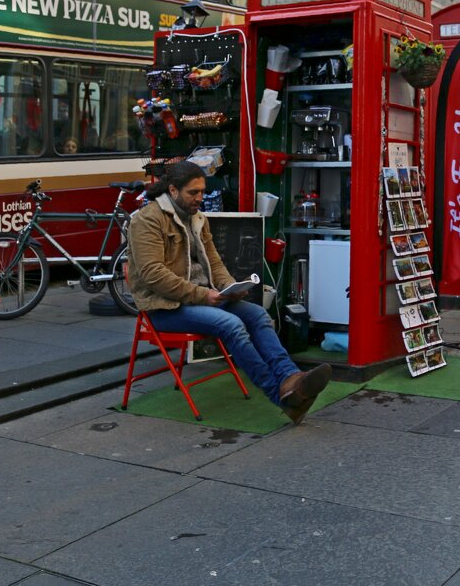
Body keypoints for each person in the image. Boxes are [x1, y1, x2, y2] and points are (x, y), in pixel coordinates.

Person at [127, 160, 331, 424]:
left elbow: (214, 263)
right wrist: (205, 296)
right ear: (173, 190)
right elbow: (153, 274)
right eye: (193, 192)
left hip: (202, 299)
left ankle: (290, 378)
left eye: (202, 191)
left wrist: (230, 287)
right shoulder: (146, 220)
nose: (200, 198)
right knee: (231, 324)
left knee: (257, 314)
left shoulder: (198, 219)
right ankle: (280, 396)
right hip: (165, 307)